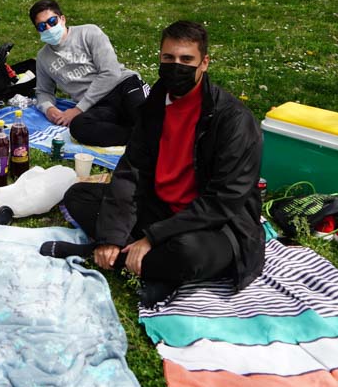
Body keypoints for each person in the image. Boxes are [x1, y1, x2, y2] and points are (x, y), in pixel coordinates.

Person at [40, 21, 265, 306]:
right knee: (79, 196)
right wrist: (111, 235)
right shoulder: (153, 107)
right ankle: (132, 258)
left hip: (213, 224)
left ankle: (106, 254)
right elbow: (131, 171)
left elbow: (224, 200)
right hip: (160, 206)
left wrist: (152, 238)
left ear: (204, 63)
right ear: (159, 57)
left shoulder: (233, 120)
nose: (176, 66)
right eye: (168, 58)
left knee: (188, 253)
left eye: (186, 60)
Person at [29, 0, 146, 148]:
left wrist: (78, 109)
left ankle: (143, 132)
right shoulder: (43, 57)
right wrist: (49, 109)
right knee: (78, 127)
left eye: (52, 21)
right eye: (41, 26)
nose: (48, 28)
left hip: (123, 86)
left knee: (147, 114)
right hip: (98, 107)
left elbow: (111, 72)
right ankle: (138, 136)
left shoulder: (89, 32)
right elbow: (43, 91)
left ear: (62, 19)